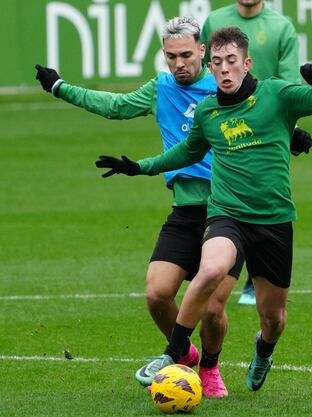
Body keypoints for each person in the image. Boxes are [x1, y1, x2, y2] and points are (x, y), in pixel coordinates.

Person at [95, 27, 312, 391]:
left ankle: (264, 350)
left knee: (273, 318)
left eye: (231, 62)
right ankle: (173, 352)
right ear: (210, 66)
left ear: (246, 63)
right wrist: (141, 166)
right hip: (227, 214)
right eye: (217, 63)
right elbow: (188, 152)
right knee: (211, 269)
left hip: (273, 220)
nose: (224, 70)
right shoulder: (208, 111)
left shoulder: (276, 93)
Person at [35, 16, 235, 398]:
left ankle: (210, 367)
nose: (179, 64)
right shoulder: (161, 88)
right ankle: (186, 353)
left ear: (203, 52)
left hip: (228, 213)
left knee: (212, 309)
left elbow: (261, 114)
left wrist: (290, 135)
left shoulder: (225, 86)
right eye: (171, 56)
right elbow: (115, 106)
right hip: (185, 211)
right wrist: (60, 87)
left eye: (186, 55)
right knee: (157, 294)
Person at [201, 0, 312, 305]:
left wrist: (288, 130)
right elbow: (204, 71)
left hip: (268, 125)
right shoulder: (214, 21)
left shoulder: (281, 27)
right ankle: (219, 262)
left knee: (265, 193)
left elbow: (289, 83)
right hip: (224, 120)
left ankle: (254, 275)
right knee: (224, 192)